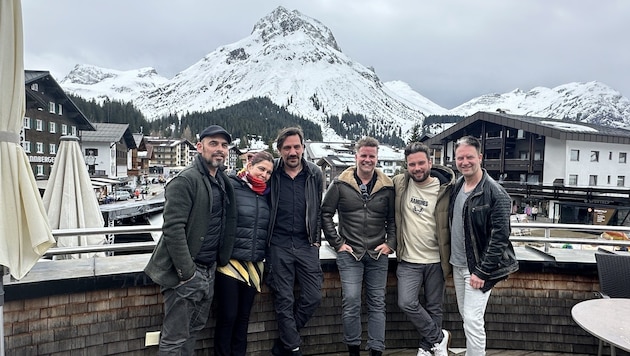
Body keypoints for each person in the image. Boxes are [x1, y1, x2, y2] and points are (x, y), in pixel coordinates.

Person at [144, 125, 237, 355]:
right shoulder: (185, 181)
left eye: (224, 145)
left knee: (193, 330)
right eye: (213, 143)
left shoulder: (222, 181)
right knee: (174, 339)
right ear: (199, 147)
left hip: (209, 270)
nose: (219, 149)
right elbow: (173, 228)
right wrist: (187, 272)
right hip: (186, 274)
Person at [321, 137, 396, 356]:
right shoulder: (340, 183)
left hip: (377, 253)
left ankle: (376, 350)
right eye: (363, 155)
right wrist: (338, 243)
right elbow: (325, 214)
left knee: (377, 303)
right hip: (350, 252)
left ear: (377, 158)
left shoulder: (387, 186)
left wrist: (390, 243)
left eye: (372, 156)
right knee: (351, 300)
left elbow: (393, 219)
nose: (367, 160)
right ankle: (353, 350)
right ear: (356, 156)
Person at [448, 135, 519, 355]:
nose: (465, 162)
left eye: (469, 157)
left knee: (472, 319)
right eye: (460, 158)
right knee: (466, 317)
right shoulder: (458, 185)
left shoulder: (496, 193)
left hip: (477, 269)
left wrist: (482, 272)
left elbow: (500, 237)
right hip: (458, 265)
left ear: (480, 157)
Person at [392, 142, 455, 356]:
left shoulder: (446, 188)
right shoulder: (400, 183)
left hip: (437, 259)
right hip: (409, 259)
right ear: (406, 166)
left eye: (421, 163)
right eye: (412, 164)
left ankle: (428, 348)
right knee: (407, 302)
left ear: (430, 162)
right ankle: (439, 337)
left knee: (434, 307)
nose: (417, 168)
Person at [267, 127, 324, 356]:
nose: (293, 152)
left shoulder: (315, 173)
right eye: (287, 147)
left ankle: (284, 344)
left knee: (313, 297)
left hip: (305, 243)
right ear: (280, 150)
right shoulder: (272, 170)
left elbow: (318, 210)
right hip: (278, 243)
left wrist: (317, 239)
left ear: (303, 147)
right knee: (284, 299)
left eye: (296, 147)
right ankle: (293, 348)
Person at [214, 151, 274, 356]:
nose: (264, 174)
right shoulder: (231, 186)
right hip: (230, 262)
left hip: (255, 264)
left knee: (243, 318)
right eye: (261, 169)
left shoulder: (268, 194)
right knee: (228, 316)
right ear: (249, 166)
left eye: (268, 172)